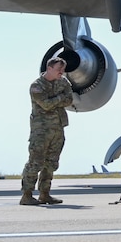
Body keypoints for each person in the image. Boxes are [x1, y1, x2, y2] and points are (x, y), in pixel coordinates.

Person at [20, 56, 74, 205]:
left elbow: (69, 100)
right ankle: (27, 195)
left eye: (63, 70)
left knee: (51, 163)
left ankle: (45, 194)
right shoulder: (36, 86)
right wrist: (60, 98)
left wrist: (57, 99)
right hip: (41, 130)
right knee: (35, 162)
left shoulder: (63, 82)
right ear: (49, 68)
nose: (61, 73)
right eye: (59, 69)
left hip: (58, 128)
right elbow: (45, 104)